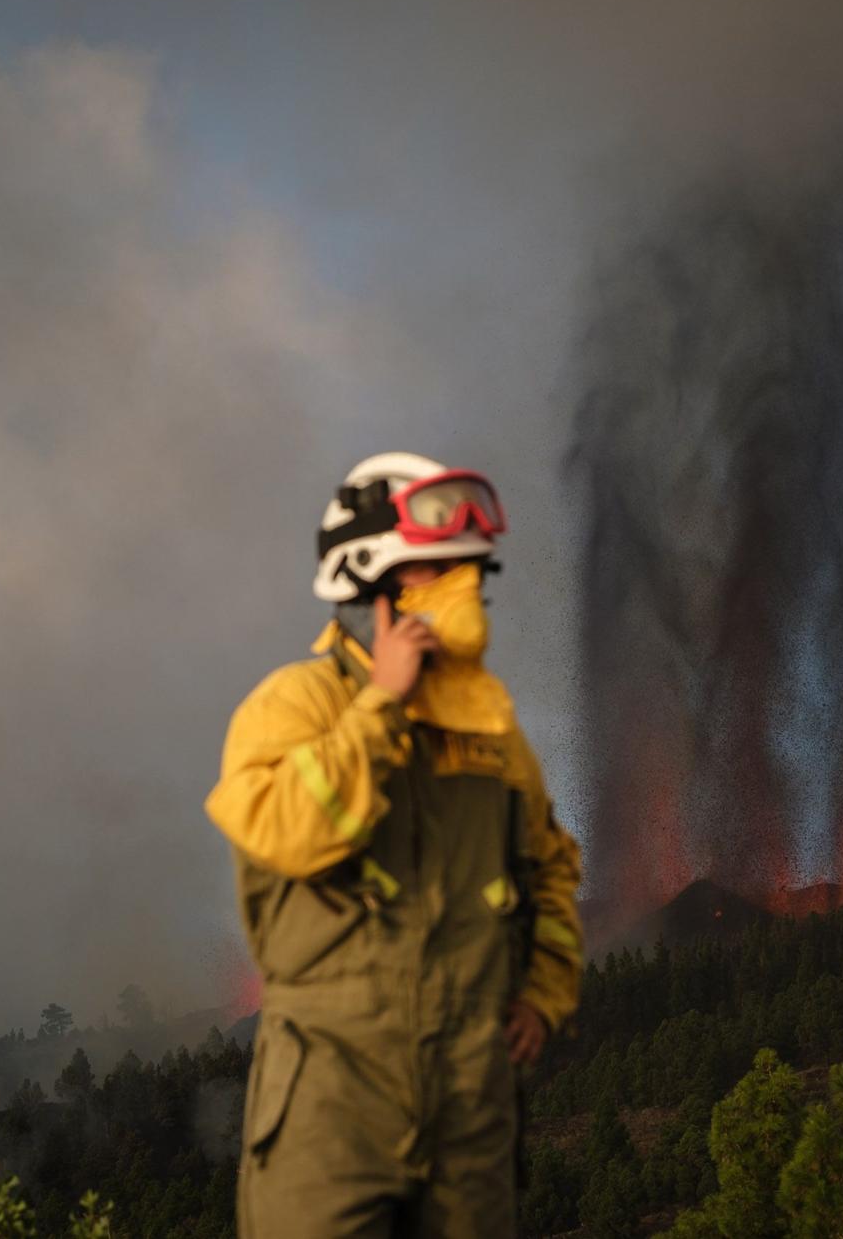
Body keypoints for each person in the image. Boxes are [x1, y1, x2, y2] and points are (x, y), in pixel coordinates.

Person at [205, 452, 583, 1238]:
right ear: (372, 588)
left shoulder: (493, 737)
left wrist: (543, 995)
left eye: (471, 577)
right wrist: (383, 703)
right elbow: (290, 833)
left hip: (472, 1109)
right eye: (434, 576)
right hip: (330, 1103)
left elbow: (551, 871)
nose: (463, 597)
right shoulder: (294, 704)